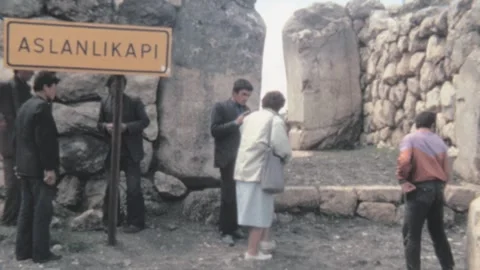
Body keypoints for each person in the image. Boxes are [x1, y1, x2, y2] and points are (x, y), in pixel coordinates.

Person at [234, 91, 291, 261]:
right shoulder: (274, 121)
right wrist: (286, 158)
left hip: (243, 167)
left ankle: (265, 242)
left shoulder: (250, 117)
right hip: (261, 170)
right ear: (280, 105)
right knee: (259, 211)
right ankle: (252, 252)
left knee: (262, 208)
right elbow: (281, 146)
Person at [397, 111, 455, 270]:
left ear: (416, 124)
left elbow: (404, 161)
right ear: (432, 125)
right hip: (437, 190)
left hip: (419, 190)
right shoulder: (440, 142)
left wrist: (402, 179)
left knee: (411, 235)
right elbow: (448, 170)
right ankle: (448, 267)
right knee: (438, 233)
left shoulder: (410, 139)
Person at [14, 71, 61, 263]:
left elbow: (16, 139)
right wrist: (49, 169)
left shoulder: (26, 106)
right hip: (39, 170)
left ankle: (22, 251)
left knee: (26, 210)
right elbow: (45, 142)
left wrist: (18, 164)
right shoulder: (42, 108)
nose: (56, 90)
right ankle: (41, 253)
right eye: (54, 86)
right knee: (42, 212)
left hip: (24, 168)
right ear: (46, 87)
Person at [98, 75, 150, 234]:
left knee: (133, 188)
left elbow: (145, 121)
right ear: (109, 87)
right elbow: (98, 124)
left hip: (131, 153)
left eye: (121, 85)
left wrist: (126, 127)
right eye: (115, 85)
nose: (118, 88)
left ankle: (136, 222)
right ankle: (112, 221)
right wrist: (105, 126)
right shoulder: (104, 102)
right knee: (111, 188)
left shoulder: (134, 101)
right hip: (113, 152)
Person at [210, 78, 253, 245]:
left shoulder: (247, 110)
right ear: (234, 93)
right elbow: (214, 130)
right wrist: (236, 123)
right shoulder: (220, 107)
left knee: (239, 194)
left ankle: (234, 227)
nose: (245, 98)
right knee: (228, 194)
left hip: (243, 159)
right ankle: (225, 231)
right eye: (243, 94)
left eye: (248, 95)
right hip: (227, 158)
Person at [0, 70, 34, 226]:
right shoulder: (5, 86)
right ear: (19, 70)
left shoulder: (26, 89)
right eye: (29, 69)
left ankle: (16, 217)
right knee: (12, 184)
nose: (32, 72)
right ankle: (8, 219)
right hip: (9, 141)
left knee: (20, 181)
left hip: (23, 141)